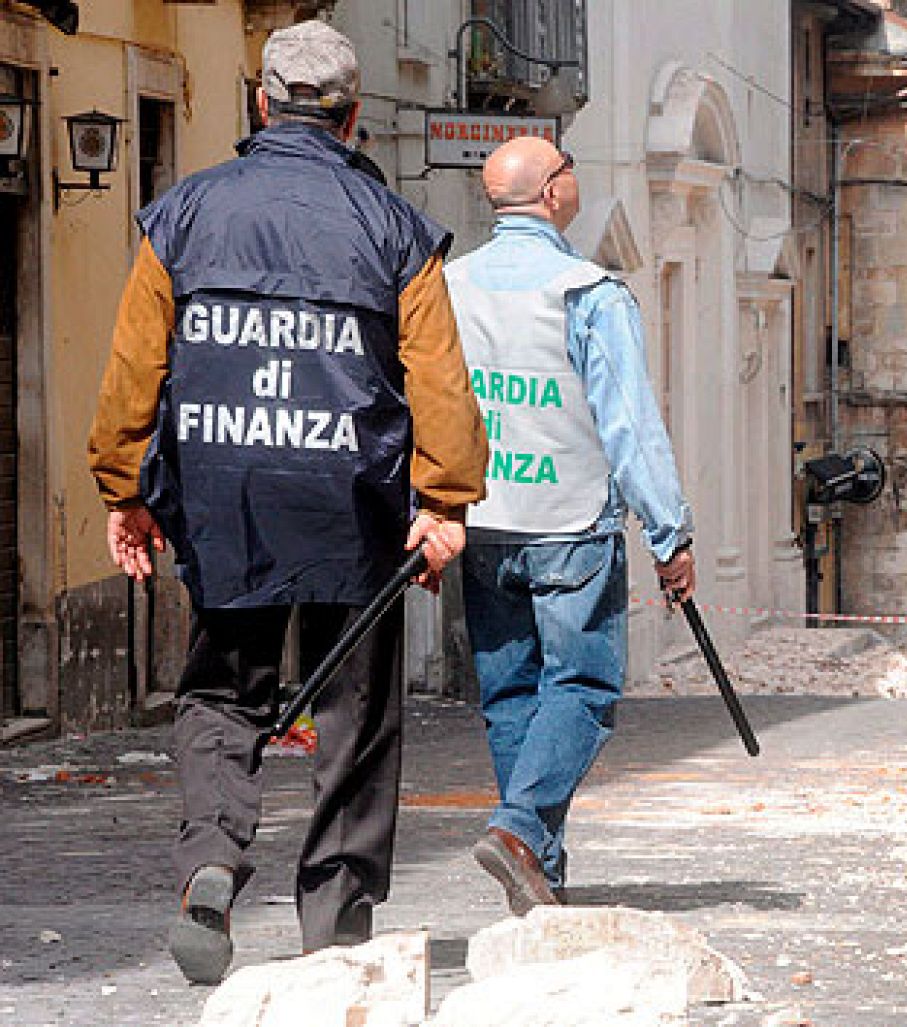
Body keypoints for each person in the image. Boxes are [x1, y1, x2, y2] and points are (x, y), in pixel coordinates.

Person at [86, 20, 488, 984]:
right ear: (352, 119)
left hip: (227, 490)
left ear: (261, 104)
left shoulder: (181, 214)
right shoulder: (393, 228)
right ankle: (336, 918)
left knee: (223, 690)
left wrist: (126, 487)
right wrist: (443, 500)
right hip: (355, 493)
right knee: (355, 707)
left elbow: (136, 366)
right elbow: (436, 378)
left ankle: (212, 862)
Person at [449, 136, 695, 912]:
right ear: (553, 192)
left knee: (512, 690)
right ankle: (522, 829)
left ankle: (536, 867)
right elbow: (629, 425)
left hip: (482, 518)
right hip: (569, 521)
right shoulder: (587, 290)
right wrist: (670, 533)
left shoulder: (450, 287)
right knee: (582, 685)